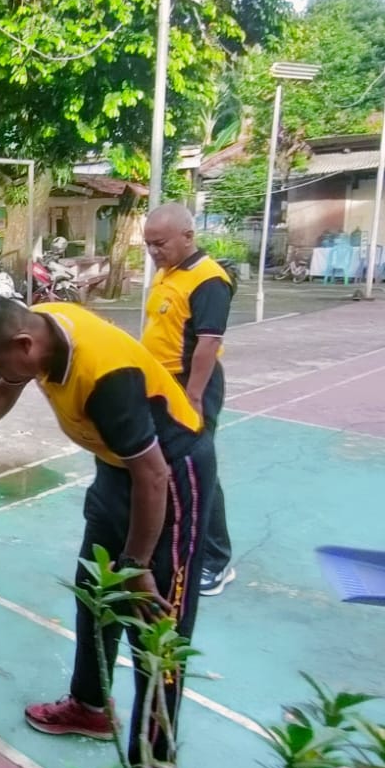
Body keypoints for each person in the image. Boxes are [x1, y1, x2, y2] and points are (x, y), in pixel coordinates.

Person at [0, 296, 213, 768]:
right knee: (95, 592)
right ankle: (90, 707)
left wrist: (138, 564)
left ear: (23, 345)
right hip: (117, 467)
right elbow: (6, 388)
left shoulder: (107, 377)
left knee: (155, 630)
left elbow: (153, 475)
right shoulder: (39, 330)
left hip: (171, 478)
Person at [142, 202, 235, 595]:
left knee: (198, 468)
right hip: (162, 383)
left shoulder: (208, 279)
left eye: (159, 243)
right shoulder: (169, 273)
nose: (153, 252)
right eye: (148, 245)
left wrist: (193, 397)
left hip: (190, 384)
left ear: (187, 236)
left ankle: (216, 559)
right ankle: (170, 540)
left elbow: (208, 343)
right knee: (167, 466)